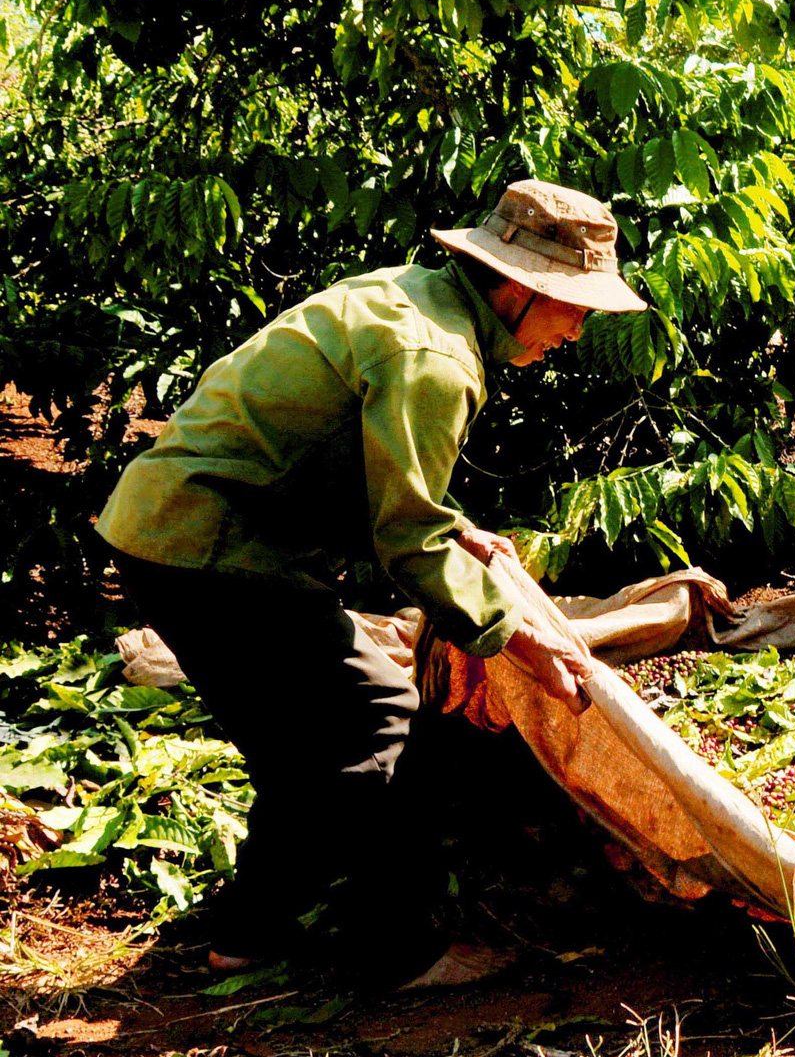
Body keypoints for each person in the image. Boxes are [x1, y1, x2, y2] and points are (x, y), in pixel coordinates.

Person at [96, 180, 648, 986]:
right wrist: (519, 635)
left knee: (305, 750)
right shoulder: (437, 358)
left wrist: (452, 523)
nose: (577, 330)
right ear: (523, 289)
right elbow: (408, 543)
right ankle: (391, 950)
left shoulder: (412, 296)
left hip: (171, 530)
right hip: (212, 551)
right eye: (575, 308)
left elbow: (364, 462)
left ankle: (244, 937)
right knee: (376, 718)